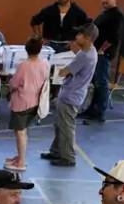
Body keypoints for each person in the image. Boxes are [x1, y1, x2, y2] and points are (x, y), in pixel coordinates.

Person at [41, 24, 97, 168]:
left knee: (66, 127)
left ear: (87, 38)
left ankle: (68, 157)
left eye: (79, 35)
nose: (76, 37)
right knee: (60, 124)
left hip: (71, 95)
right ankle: (56, 151)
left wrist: (53, 66)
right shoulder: (89, 51)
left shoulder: (84, 56)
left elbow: (64, 72)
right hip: (72, 93)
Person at [4, 37, 49, 172]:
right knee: (22, 131)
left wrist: (9, 83)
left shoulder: (23, 65)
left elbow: (14, 83)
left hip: (22, 103)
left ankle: (21, 161)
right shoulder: (45, 63)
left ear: (26, 49)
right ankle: (20, 157)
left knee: (20, 133)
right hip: (35, 102)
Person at [80, 0, 124, 123]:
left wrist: (101, 50)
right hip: (95, 53)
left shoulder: (117, 15)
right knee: (95, 83)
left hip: (103, 55)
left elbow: (113, 37)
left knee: (101, 82)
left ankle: (100, 112)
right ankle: (91, 110)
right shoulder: (104, 14)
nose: (104, 0)